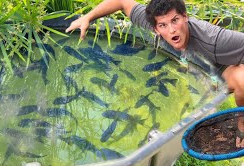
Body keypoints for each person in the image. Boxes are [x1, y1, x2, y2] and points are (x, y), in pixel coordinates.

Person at [65, 0, 244, 147]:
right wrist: (87, 17)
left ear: (185, 17)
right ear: (156, 28)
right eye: (163, 25)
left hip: (218, 70)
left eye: (175, 20)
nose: (171, 29)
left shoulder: (216, 39)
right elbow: (122, 2)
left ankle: (242, 124)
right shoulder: (152, 22)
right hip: (189, 68)